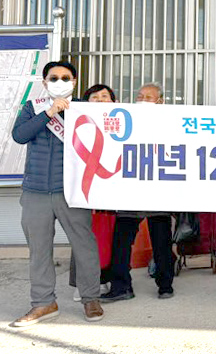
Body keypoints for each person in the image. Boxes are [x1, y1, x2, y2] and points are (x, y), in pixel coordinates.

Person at [10, 61, 104, 326]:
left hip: (72, 191)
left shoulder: (85, 109)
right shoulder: (34, 107)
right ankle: (43, 303)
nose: (59, 82)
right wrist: (49, 113)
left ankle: (90, 298)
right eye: (53, 78)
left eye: (65, 77)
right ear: (44, 82)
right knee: (39, 250)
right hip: (36, 191)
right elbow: (20, 135)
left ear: (74, 81)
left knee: (84, 246)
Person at [100, 83, 176, 302]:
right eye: (140, 96)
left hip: (157, 193)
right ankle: (121, 286)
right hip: (129, 192)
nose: (142, 100)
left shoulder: (171, 121)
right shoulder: (125, 120)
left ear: (160, 101)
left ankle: (165, 285)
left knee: (161, 243)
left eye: (148, 97)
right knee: (121, 243)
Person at [70, 84, 117, 302]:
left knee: (107, 235)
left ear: (114, 102)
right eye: (94, 97)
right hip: (84, 187)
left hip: (109, 187)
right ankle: (80, 284)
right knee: (83, 236)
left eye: (105, 96)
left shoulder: (120, 123)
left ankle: (103, 278)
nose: (100, 100)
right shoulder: (78, 122)